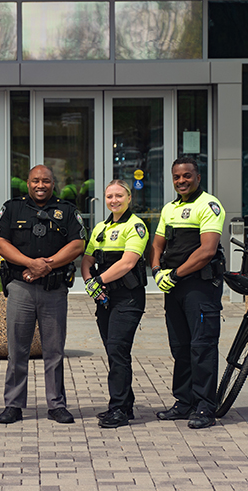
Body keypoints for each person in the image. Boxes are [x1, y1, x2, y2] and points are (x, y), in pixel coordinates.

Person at [0, 165, 86, 424]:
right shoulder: (12, 208)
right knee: (17, 350)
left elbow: (78, 243)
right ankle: (13, 404)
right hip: (21, 288)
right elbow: (0, 242)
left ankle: (56, 404)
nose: (40, 185)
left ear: (53, 183)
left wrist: (47, 264)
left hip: (54, 290)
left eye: (46, 181)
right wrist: (29, 263)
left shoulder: (67, 210)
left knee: (54, 351)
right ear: (27, 182)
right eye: (35, 180)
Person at [151, 157, 226, 429]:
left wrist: (175, 273)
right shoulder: (169, 209)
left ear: (198, 177)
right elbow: (157, 243)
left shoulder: (209, 205)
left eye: (186, 176)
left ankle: (206, 407)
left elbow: (207, 250)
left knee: (202, 347)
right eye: (176, 177)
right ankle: (184, 403)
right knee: (180, 347)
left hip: (200, 288)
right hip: (174, 287)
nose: (181, 181)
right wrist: (157, 269)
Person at [81, 180, 148, 428]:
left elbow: (128, 263)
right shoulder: (100, 228)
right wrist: (91, 284)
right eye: (109, 196)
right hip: (105, 299)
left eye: (119, 196)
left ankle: (118, 409)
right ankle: (126, 405)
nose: (114, 200)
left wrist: (97, 281)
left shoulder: (136, 225)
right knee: (113, 351)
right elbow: (87, 260)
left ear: (129, 198)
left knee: (118, 351)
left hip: (128, 299)